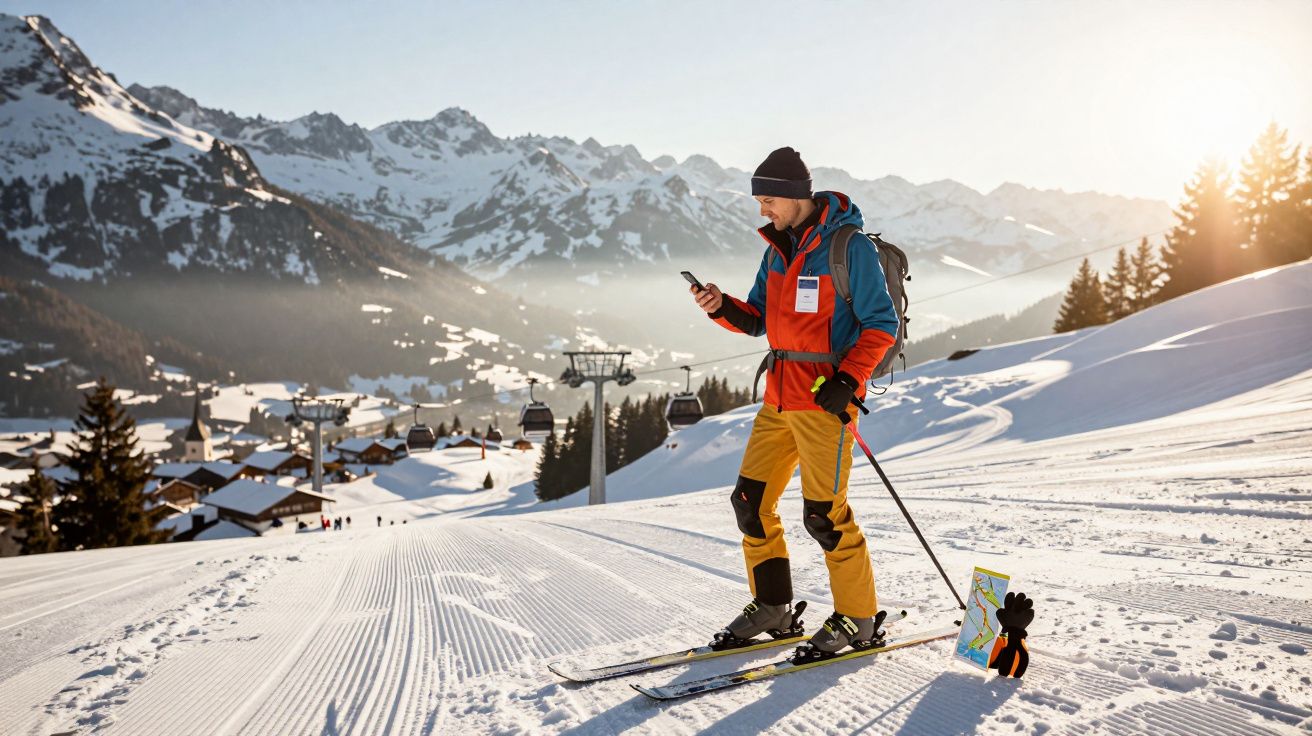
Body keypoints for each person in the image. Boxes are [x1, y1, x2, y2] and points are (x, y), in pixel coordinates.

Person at [691, 147, 899, 655]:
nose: (763, 210)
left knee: (824, 517)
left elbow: (881, 325)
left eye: (767, 200)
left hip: (824, 405)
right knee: (750, 504)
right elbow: (759, 317)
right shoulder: (778, 250)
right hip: (778, 401)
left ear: (794, 196)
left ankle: (859, 619)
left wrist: (848, 382)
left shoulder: (848, 248)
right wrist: (722, 307)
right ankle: (773, 607)